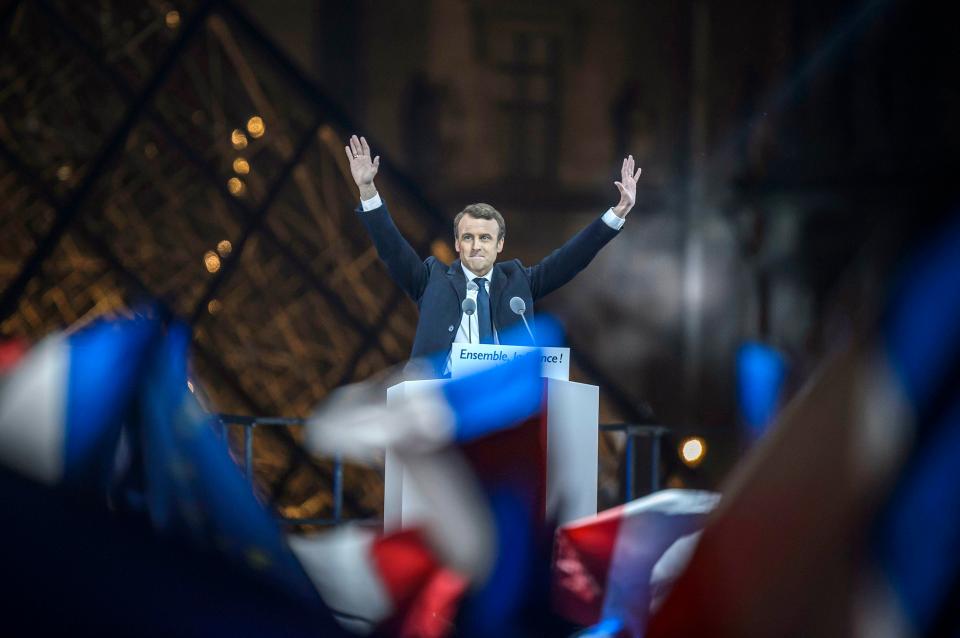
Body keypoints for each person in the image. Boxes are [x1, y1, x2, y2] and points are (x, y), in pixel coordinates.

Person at [345, 134, 641, 376]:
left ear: (499, 245)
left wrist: (617, 213)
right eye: (468, 237)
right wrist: (368, 189)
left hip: (500, 409)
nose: (476, 245)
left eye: (485, 238)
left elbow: (571, 258)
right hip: (440, 403)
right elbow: (392, 249)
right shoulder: (431, 278)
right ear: (457, 244)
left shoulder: (518, 281)